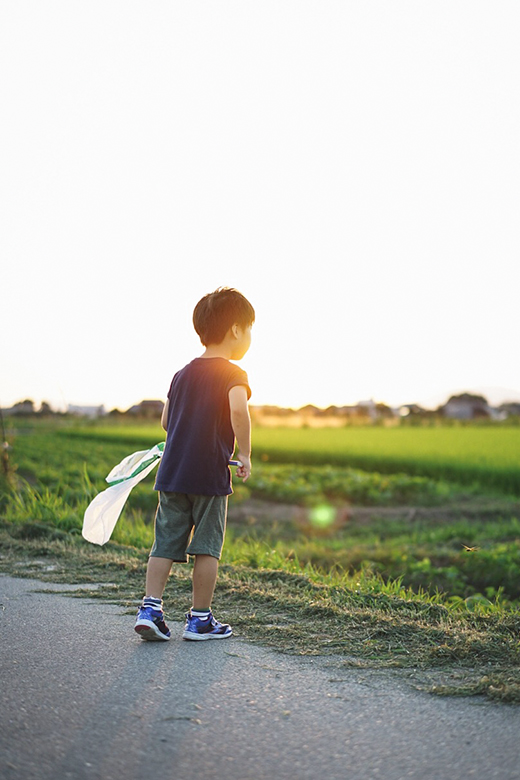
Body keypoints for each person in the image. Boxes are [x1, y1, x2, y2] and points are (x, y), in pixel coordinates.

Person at [134, 287, 254, 642]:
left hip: (172, 474)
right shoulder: (234, 373)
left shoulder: (181, 374)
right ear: (235, 330)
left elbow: (166, 422)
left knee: (165, 544)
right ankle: (200, 620)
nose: (249, 337)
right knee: (206, 546)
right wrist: (244, 453)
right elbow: (238, 411)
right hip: (209, 477)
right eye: (249, 329)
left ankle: (151, 609)